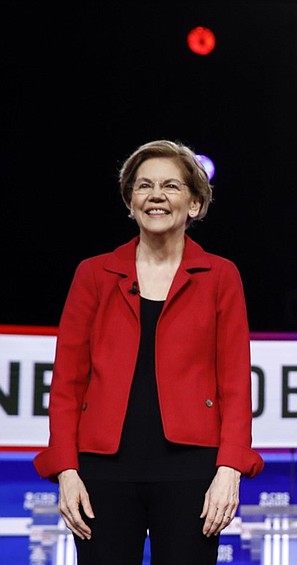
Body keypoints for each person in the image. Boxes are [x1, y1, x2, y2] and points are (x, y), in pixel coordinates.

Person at [33, 140, 264, 565]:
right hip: (102, 472)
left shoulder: (221, 276)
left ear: (194, 204)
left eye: (171, 186)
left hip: (192, 472)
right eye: (144, 186)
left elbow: (234, 382)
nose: (156, 195)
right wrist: (66, 470)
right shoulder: (93, 274)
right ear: (130, 201)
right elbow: (67, 383)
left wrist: (229, 470)